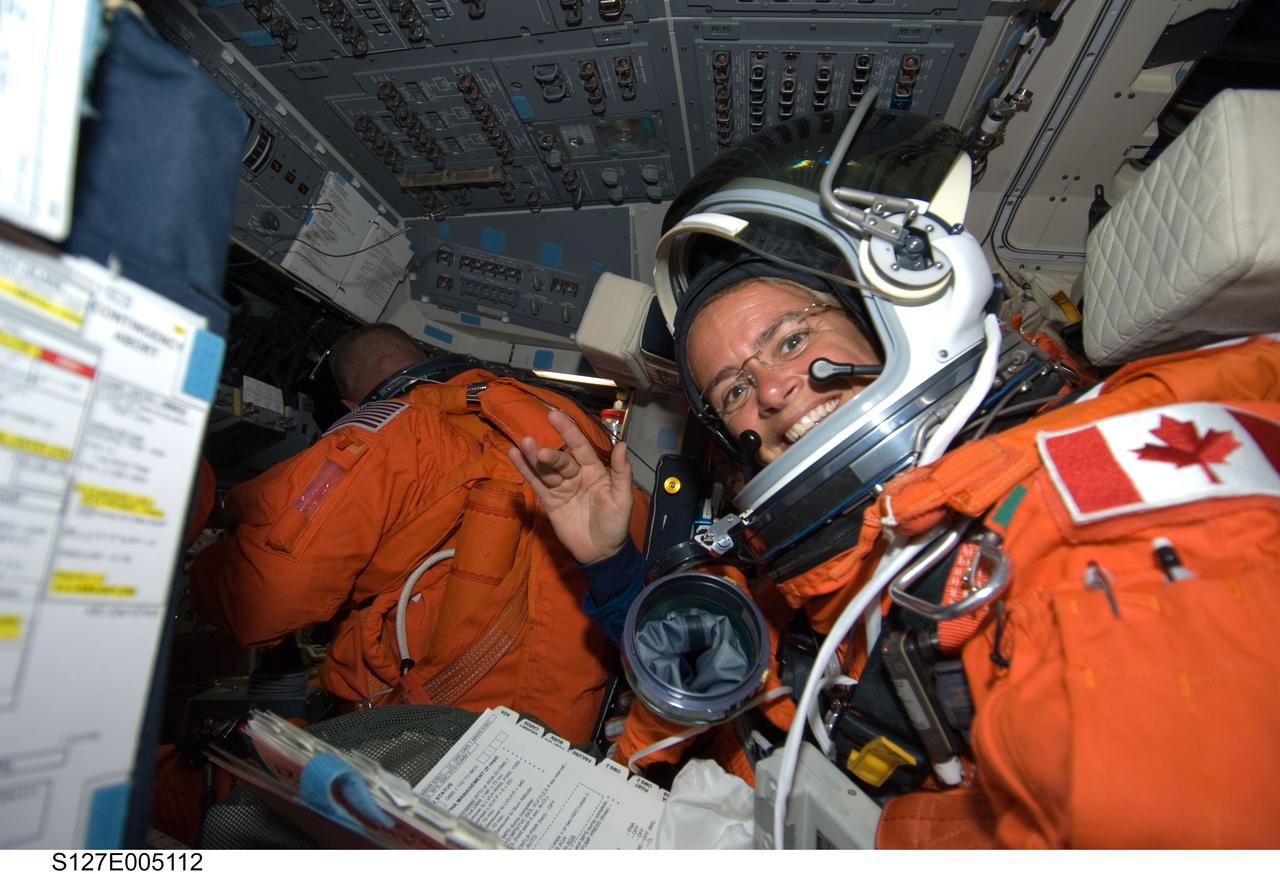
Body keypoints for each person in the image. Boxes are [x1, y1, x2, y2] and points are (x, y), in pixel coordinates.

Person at [511, 107, 1280, 847]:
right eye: (734, 390)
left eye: (791, 338)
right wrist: (612, 569)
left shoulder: (1098, 535)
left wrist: (867, 839)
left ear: (880, 322)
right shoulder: (842, 551)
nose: (772, 392)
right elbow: (719, 660)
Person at [190, 323, 648, 744]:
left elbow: (265, 602)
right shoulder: (552, 411)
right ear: (423, 354)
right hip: (565, 722)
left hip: (446, 739)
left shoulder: (390, 433)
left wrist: (198, 572)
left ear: (350, 405)